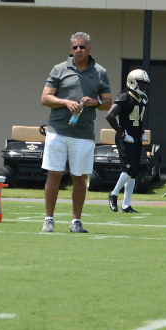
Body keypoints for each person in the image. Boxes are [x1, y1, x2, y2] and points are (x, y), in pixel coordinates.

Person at [40, 32, 112, 234]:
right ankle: (49, 219)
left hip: (83, 133)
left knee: (79, 177)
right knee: (53, 173)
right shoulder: (59, 69)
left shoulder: (99, 72)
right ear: (70, 49)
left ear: (89, 48)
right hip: (57, 130)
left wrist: (95, 102)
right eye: (74, 47)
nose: (78, 50)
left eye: (82, 47)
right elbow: (45, 98)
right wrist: (66, 102)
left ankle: (76, 221)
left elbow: (108, 103)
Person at [106, 69, 149, 214]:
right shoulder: (125, 97)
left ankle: (126, 205)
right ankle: (113, 194)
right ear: (132, 82)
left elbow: (140, 118)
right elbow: (110, 116)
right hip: (126, 138)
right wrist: (121, 133)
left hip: (136, 137)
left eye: (144, 84)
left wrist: (142, 132)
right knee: (131, 169)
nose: (143, 86)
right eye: (141, 83)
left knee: (134, 172)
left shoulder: (143, 99)